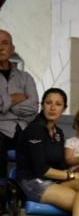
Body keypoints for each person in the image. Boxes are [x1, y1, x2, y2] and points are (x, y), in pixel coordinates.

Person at [16, 88, 79, 216]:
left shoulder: (58, 133)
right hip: (33, 182)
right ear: (42, 105)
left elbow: (61, 165)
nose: (52, 108)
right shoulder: (35, 129)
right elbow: (41, 170)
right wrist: (76, 176)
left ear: (64, 108)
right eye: (48, 103)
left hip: (54, 182)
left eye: (58, 104)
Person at [0, 29, 39, 179]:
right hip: (1, 128)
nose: (1, 47)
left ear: (12, 49)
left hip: (23, 128)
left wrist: (5, 105)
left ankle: (32, 188)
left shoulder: (25, 77)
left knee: (40, 141)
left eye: (5, 43)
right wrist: (17, 98)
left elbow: (34, 106)